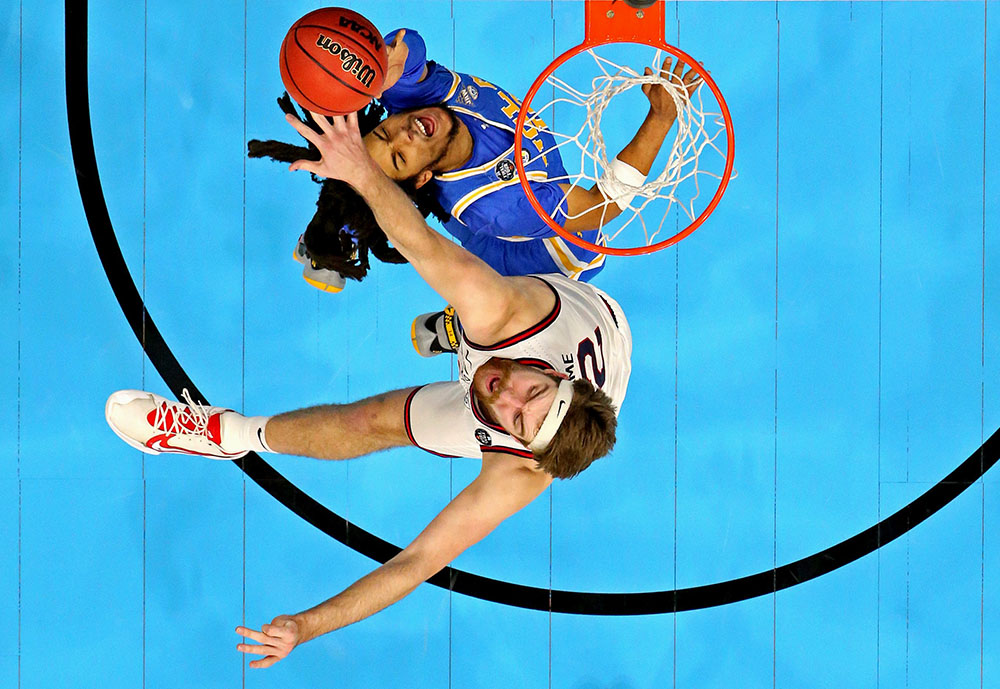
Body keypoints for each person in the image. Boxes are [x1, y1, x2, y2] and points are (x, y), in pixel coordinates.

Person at [106, 107, 633, 668]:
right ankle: (456, 331)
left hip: (528, 387)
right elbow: (417, 241)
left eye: (517, 418)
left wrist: (306, 627)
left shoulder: (518, 469)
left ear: (522, 446)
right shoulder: (506, 313)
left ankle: (226, 433)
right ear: (555, 372)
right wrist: (359, 169)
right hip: (578, 307)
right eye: (532, 390)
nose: (507, 397)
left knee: (382, 422)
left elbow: (415, 564)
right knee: (470, 284)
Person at [249, 28, 702, 291]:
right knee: (494, 313)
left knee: (363, 193)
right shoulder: (505, 204)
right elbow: (599, 208)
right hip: (548, 258)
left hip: (496, 218)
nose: (404, 132)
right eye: (400, 155)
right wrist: (660, 119)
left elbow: (410, 52)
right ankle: (329, 246)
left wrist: (385, 57)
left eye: (385, 130)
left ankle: (329, 230)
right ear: (423, 174)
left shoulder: (416, 103)